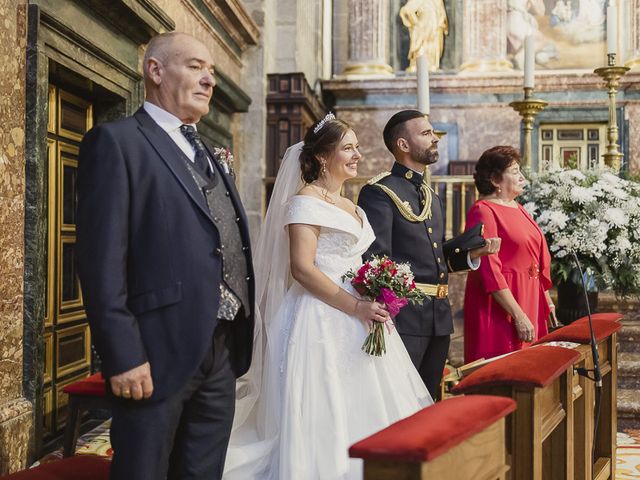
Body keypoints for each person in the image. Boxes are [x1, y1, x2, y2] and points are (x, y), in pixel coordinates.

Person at [76, 32, 254, 480]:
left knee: (202, 471)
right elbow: (100, 261)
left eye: (211, 71)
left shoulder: (209, 153)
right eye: (195, 66)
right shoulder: (117, 143)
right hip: (153, 351)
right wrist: (122, 355)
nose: (209, 80)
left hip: (221, 346)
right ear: (155, 71)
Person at [224, 114, 433, 480]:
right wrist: (355, 304)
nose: (357, 155)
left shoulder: (351, 204)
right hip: (319, 316)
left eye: (356, 147)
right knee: (326, 406)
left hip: (361, 314)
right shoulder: (305, 201)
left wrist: (378, 289)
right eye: (348, 148)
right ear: (323, 156)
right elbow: (302, 269)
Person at [358, 110, 500, 399]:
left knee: (429, 400)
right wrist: (388, 316)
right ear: (403, 145)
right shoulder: (379, 192)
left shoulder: (431, 196)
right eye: (426, 133)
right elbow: (376, 259)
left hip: (438, 316)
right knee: (400, 400)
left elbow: (437, 256)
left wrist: (474, 253)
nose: (435, 138)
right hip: (404, 318)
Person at [463, 146, 555, 363]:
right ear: (495, 179)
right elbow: (489, 270)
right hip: (502, 306)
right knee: (505, 367)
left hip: (529, 295)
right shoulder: (484, 210)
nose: (522, 177)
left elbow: (534, 258)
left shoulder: (516, 206)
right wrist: (518, 315)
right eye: (514, 171)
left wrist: (547, 300)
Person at [399, 0, 448, 72]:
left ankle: (431, 63)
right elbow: (406, 10)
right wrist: (416, 22)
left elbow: (442, 15)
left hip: (434, 29)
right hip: (421, 29)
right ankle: (417, 64)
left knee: (432, 46)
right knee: (420, 48)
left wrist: (440, 23)